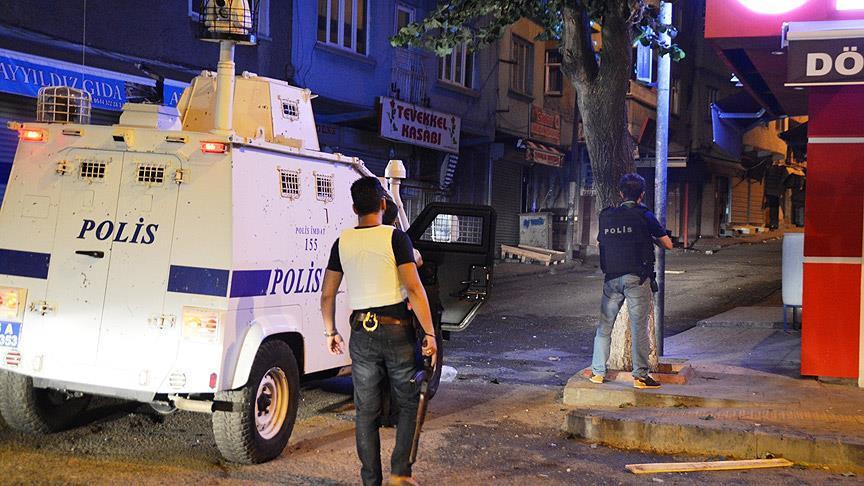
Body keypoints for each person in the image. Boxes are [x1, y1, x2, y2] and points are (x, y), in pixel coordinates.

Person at [320, 176, 437, 486]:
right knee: (408, 402)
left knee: (366, 411)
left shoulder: (342, 242)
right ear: (383, 204)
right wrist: (430, 334)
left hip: (362, 334)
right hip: (397, 332)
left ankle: (370, 481)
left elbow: (327, 295)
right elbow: (414, 288)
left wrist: (331, 332)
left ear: (355, 208)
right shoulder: (396, 238)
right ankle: (400, 474)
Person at [589, 173, 673, 389]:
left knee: (604, 327)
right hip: (637, 278)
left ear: (621, 193)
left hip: (611, 278)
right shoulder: (645, 215)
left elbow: (600, 243)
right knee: (639, 328)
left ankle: (597, 373)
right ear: (641, 195)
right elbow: (668, 244)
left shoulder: (607, 215)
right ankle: (640, 377)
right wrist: (649, 237)